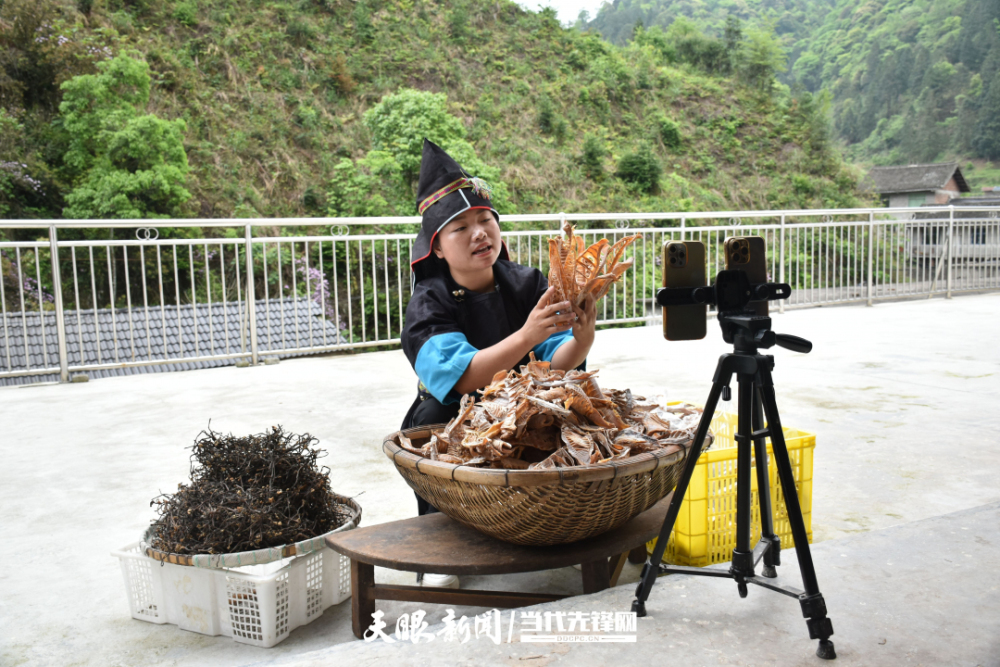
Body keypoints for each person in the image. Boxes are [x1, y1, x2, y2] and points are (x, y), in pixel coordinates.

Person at [400, 140, 597, 587]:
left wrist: (582, 338)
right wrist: (527, 335)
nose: (479, 233)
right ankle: (441, 552)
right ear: (436, 248)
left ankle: (545, 528)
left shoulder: (527, 282)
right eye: (460, 227)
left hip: (525, 408)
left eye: (486, 220)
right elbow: (463, 375)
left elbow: (558, 365)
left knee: (573, 403)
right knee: (433, 433)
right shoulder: (429, 302)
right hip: (453, 414)